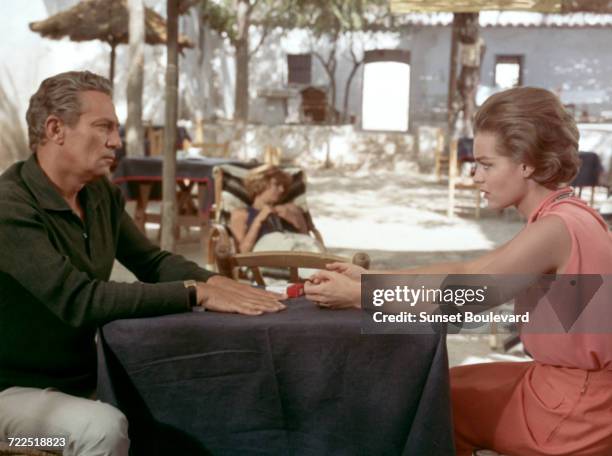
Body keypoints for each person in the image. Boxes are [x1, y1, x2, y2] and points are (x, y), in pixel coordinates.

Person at [305, 87, 612, 455]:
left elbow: (462, 297)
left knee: (420, 404)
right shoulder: (565, 215)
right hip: (568, 387)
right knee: (437, 391)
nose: (475, 176)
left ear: (526, 163)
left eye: (486, 164)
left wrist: (360, 297)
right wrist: (371, 279)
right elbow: (468, 269)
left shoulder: (555, 229)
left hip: (578, 410)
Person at [0, 71, 285, 456]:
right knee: (100, 430)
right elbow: (79, 299)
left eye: (115, 129)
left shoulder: (98, 194)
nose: (116, 142)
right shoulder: (10, 206)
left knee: (187, 400)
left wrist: (215, 283)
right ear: (55, 129)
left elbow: (150, 261)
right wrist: (193, 292)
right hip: (12, 400)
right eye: (103, 127)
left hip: (83, 380)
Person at [229, 164, 321, 254]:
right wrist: (259, 220)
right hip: (267, 258)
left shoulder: (291, 209)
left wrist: (296, 219)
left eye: (284, 186)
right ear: (260, 184)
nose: (282, 190)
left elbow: (307, 240)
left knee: (313, 247)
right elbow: (243, 252)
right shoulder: (241, 214)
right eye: (277, 184)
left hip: (297, 252)